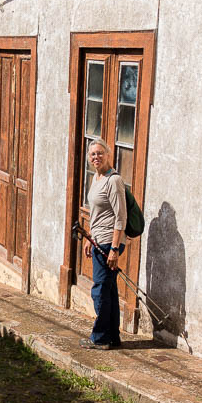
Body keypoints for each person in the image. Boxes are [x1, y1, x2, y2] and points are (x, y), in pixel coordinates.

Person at [80, 138, 126, 350]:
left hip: (109, 243)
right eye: (92, 154)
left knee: (99, 290)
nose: (96, 157)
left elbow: (120, 216)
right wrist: (90, 236)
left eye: (100, 153)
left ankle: (99, 337)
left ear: (108, 155)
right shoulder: (96, 178)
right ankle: (112, 337)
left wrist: (115, 249)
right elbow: (97, 212)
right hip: (99, 240)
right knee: (108, 291)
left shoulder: (113, 180)